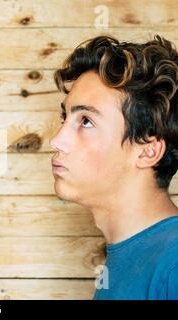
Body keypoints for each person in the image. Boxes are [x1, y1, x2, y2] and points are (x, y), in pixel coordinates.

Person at [50, 35, 178, 299]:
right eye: (66, 117)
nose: (56, 140)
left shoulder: (173, 266)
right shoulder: (130, 255)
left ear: (148, 150)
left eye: (86, 121)